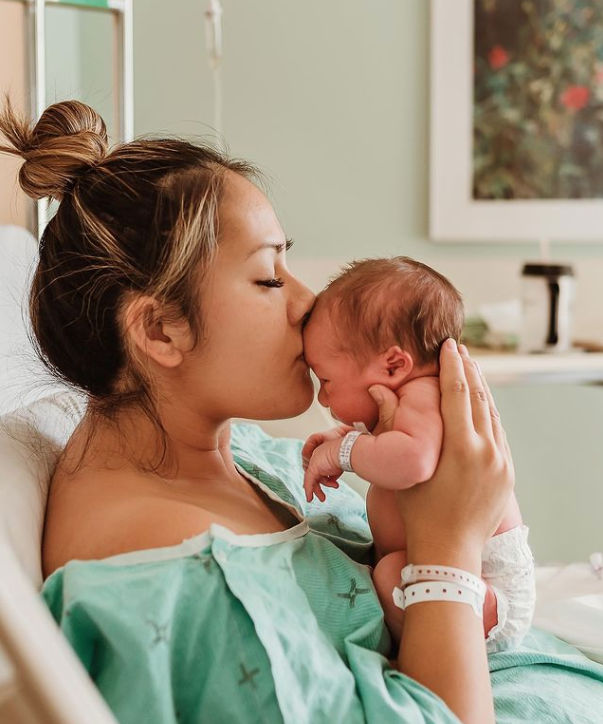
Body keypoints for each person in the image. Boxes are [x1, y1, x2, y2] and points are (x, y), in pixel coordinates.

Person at [2, 99, 603, 724]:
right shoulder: (186, 583)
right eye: (269, 278)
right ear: (160, 329)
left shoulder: (240, 457)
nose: (308, 301)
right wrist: (448, 544)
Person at [301, 257, 535, 652]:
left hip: (489, 592)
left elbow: (413, 461)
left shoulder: (424, 396)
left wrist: (342, 452)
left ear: (393, 365)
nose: (322, 395)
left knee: (394, 574)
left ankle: (415, 657)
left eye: (326, 380)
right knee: (393, 571)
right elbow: (387, 442)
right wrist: (341, 436)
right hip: (457, 574)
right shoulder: (406, 408)